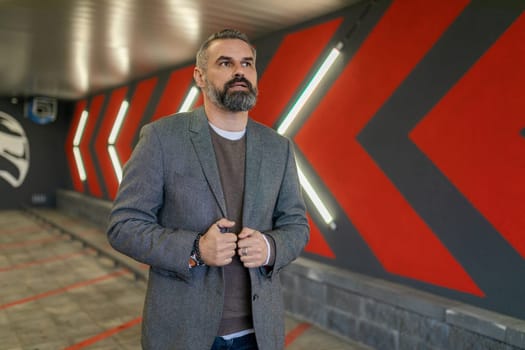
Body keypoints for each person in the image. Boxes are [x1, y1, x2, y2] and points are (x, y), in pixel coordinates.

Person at [107, 29, 309, 350]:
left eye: (247, 64)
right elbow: (123, 226)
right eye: (225, 63)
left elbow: (297, 226)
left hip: (259, 334)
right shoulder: (162, 138)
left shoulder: (278, 148)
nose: (239, 71)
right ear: (199, 76)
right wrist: (196, 250)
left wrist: (270, 247)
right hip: (183, 332)